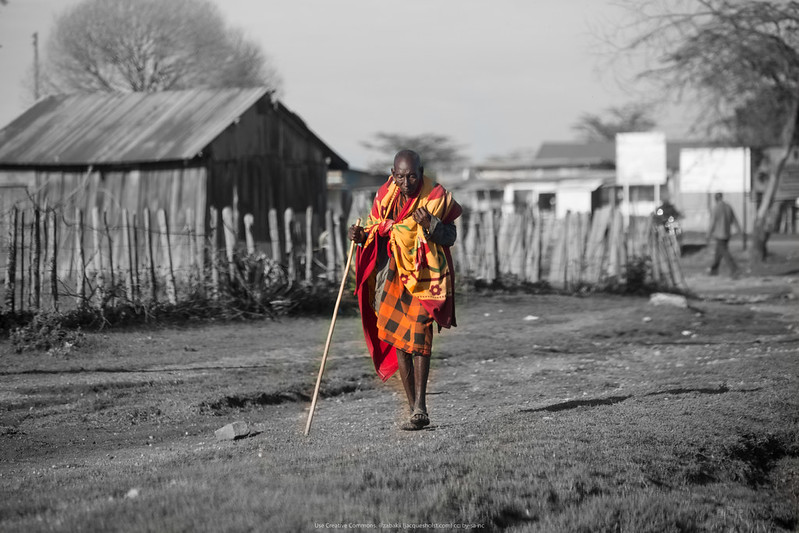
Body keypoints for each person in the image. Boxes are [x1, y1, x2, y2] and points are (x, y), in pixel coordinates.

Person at [348, 150, 462, 431]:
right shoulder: (385, 197)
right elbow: (375, 231)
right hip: (392, 276)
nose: (406, 182)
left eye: (412, 176)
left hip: (424, 277)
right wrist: (361, 237)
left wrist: (430, 224)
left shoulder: (436, 197)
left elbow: (450, 236)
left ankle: (421, 406)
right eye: (400, 176)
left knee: (420, 336)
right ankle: (413, 408)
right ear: (393, 174)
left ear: (421, 172)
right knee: (400, 340)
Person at [707, 192, 741, 277]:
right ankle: (714, 270)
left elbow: (712, 223)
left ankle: (734, 269)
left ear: (715, 199)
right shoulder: (728, 207)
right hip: (727, 233)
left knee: (725, 252)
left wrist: (708, 234)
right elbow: (734, 219)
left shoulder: (716, 208)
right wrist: (739, 230)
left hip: (719, 234)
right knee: (718, 252)